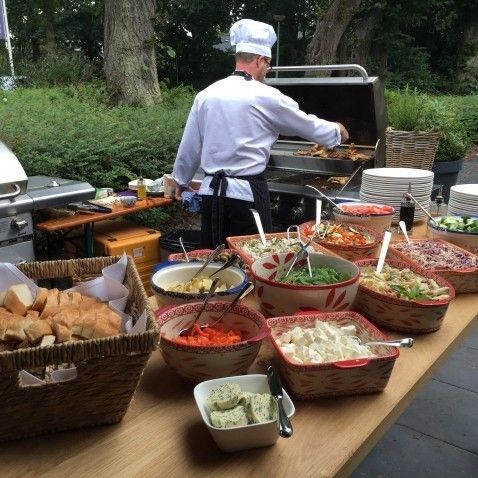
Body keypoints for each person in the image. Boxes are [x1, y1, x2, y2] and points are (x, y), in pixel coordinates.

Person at [172, 18, 349, 248]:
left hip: (212, 197)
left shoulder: (206, 95)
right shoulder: (266, 96)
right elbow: (306, 125)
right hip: (246, 198)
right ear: (259, 59)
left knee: (213, 263)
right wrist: (337, 131)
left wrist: (180, 180)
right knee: (252, 262)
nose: (267, 69)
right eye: (267, 64)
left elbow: (190, 146)